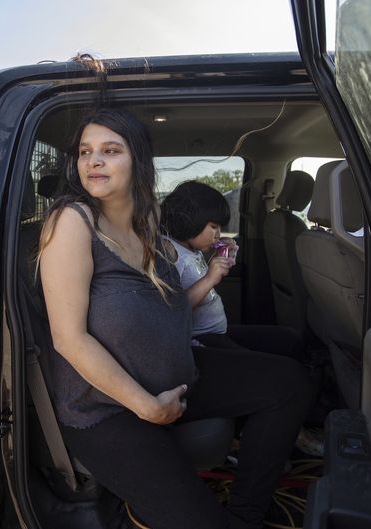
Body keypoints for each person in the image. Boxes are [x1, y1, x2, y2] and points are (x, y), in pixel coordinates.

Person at [37, 107, 314, 529]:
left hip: (179, 377)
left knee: (289, 382)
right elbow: (69, 340)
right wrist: (147, 406)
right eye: (85, 152)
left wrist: (211, 273)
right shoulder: (73, 222)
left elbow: (171, 304)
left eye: (109, 150)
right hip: (111, 409)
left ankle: (245, 514)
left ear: (138, 161)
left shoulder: (145, 220)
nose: (92, 161)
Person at [160, 181, 304, 360]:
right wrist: (210, 278)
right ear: (190, 219)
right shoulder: (168, 251)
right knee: (281, 368)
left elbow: (194, 276)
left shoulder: (192, 249)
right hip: (200, 341)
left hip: (219, 332)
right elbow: (172, 310)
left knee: (290, 339)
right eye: (214, 227)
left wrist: (220, 260)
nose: (218, 235)